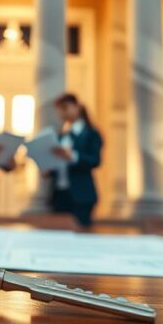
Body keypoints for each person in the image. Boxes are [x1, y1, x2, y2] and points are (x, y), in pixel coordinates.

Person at [49, 93, 103, 227]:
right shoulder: (60, 135)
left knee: (80, 236)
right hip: (60, 194)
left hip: (81, 194)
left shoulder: (91, 134)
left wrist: (73, 156)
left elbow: (95, 160)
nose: (62, 113)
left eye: (65, 108)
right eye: (59, 110)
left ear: (77, 107)